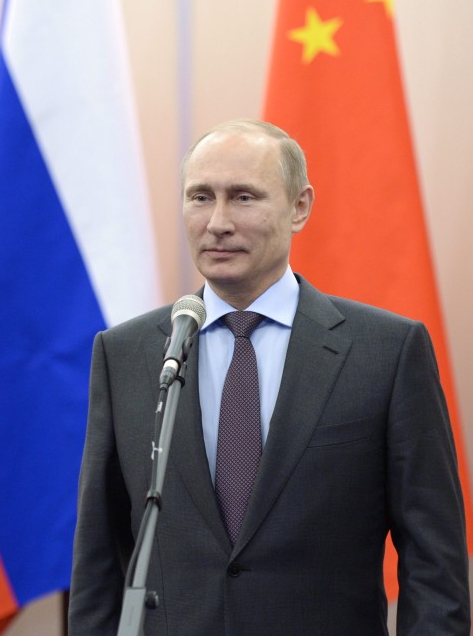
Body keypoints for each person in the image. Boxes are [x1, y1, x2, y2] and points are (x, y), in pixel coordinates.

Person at [68, 119, 470, 634]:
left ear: (299, 207)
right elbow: (98, 561)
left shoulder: (386, 352)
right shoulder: (127, 354)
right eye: (200, 197)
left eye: (243, 197)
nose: (217, 222)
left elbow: (435, 564)